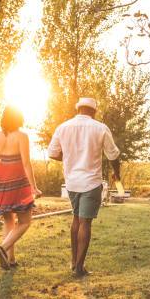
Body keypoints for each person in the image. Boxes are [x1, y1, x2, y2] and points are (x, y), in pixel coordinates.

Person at [48, 97, 121, 277]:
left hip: (72, 181)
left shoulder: (63, 127)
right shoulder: (100, 128)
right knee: (85, 222)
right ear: (94, 111)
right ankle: (79, 267)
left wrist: (67, 159)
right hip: (91, 181)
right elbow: (113, 155)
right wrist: (117, 174)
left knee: (76, 219)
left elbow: (52, 153)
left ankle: (74, 262)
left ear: (78, 108)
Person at [0, 106, 42, 270]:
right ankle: (3, 248)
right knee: (25, 221)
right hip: (18, 181)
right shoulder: (22, 136)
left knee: (9, 221)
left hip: (0, 182)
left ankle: (10, 260)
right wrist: (34, 187)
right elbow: (26, 163)